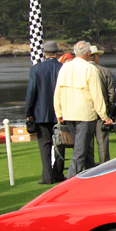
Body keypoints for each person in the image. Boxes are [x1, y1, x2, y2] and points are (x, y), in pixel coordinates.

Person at [54, 40, 111, 177]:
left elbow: (58, 92)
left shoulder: (64, 67)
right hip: (85, 114)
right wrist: (104, 116)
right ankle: (71, 181)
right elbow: (96, 94)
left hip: (68, 113)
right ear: (88, 53)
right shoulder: (90, 68)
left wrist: (59, 112)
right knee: (80, 151)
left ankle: (92, 177)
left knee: (85, 149)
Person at [25, 40, 65, 184]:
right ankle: (58, 173)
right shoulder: (63, 68)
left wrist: (28, 112)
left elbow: (32, 92)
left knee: (44, 145)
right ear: (57, 53)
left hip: (41, 113)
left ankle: (47, 176)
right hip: (60, 113)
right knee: (60, 144)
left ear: (44, 53)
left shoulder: (36, 69)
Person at [88, 45, 115, 165]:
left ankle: (88, 167)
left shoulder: (83, 71)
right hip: (102, 113)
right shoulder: (105, 71)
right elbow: (111, 94)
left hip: (87, 113)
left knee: (88, 143)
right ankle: (105, 166)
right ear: (96, 56)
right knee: (102, 142)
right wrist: (108, 109)